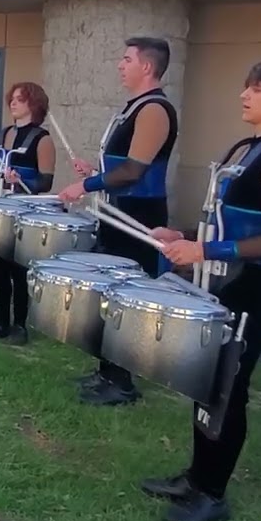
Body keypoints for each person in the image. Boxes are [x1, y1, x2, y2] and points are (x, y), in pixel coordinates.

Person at [140, 58, 261, 521]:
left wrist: (203, 250)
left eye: (258, 88)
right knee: (204, 382)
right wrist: (182, 235)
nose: (244, 94)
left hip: (250, 289)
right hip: (219, 284)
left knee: (227, 390)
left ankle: (213, 493)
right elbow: (224, 221)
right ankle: (196, 477)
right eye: (247, 86)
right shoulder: (246, 148)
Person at [59, 36, 179, 406]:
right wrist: (96, 173)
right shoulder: (134, 108)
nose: (120, 65)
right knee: (107, 293)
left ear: (147, 66)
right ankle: (107, 371)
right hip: (118, 211)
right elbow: (121, 168)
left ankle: (122, 383)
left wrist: (85, 185)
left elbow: (133, 171)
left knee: (126, 296)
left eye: (127, 59)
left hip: (138, 215)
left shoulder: (154, 109)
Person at [0, 82, 56, 345]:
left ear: (34, 104)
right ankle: (1, 321)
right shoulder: (6, 133)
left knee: (19, 270)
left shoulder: (42, 139)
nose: (13, 103)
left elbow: (45, 182)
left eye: (20, 99)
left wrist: (20, 180)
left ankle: (20, 325)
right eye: (12, 99)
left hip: (24, 211)